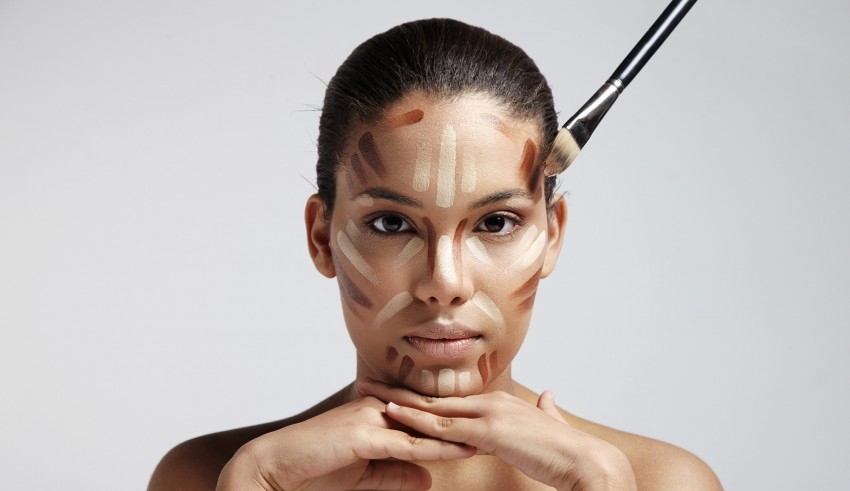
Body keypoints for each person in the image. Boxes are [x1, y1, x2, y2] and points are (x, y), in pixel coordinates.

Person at [148, 18, 722, 490]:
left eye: (496, 222)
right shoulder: (209, 479)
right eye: (391, 222)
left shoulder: (661, 483)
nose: (445, 283)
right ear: (322, 237)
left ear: (551, 235)